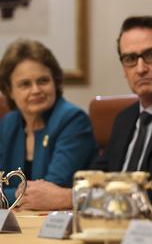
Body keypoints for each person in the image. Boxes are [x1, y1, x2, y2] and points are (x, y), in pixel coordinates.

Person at [17, 15, 152, 210]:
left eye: (151, 55)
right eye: (130, 59)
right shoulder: (125, 118)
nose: (140, 68)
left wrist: (71, 198)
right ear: (123, 68)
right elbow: (93, 178)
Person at [0, 39, 96, 209]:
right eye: (25, 84)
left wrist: (9, 195)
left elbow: (50, 191)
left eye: (43, 81)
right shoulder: (9, 123)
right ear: (9, 90)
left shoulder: (73, 120)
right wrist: (18, 194)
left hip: (60, 221)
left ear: (55, 81)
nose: (36, 90)